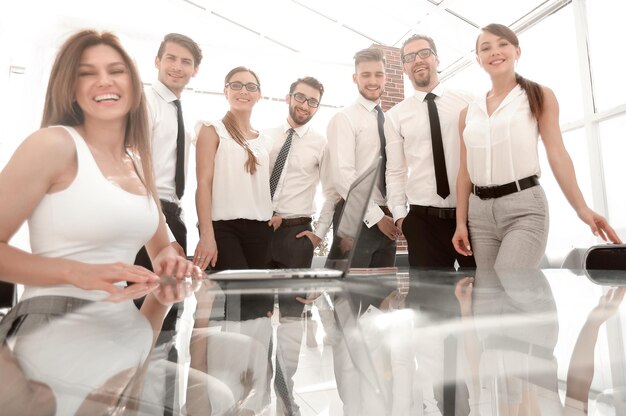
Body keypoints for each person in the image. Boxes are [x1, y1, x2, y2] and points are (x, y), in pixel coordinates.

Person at [0, 29, 198, 415]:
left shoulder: (138, 162)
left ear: (133, 83)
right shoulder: (53, 145)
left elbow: (162, 251)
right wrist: (78, 272)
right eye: (87, 73)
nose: (104, 81)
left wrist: (174, 267)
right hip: (56, 326)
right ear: (70, 87)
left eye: (116, 70)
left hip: (128, 332)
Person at [452, 23, 622, 269]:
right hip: (479, 214)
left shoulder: (539, 95)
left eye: (503, 44)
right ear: (478, 59)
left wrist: (582, 208)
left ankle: (547, 308)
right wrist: (460, 222)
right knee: (489, 291)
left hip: (523, 205)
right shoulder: (467, 113)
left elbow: (557, 153)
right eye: (486, 48)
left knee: (511, 275)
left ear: (517, 51)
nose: (495, 52)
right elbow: (464, 172)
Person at [133, 32, 202, 416]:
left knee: (171, 314)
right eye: (171, 59)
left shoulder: (178, 109)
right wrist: (159, 228)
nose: (177, 66)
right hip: (149, 211)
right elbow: (137, 167)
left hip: (172, 213)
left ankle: (162, 407)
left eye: (185, 62)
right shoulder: (145, 103)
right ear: (157, 61)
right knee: (146, 314)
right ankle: (142, 406)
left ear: (195, 71)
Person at [263, 76, 331, 415]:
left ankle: (285, 398)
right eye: (300, 98)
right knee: (258, 318)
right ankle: (255, 394)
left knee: (291, 322)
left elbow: (331, 191)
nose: (305, 105)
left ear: (318, 106)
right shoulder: (265, 135)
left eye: (312, 101)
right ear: (289, 97)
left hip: (297, 236)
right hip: (262, 232)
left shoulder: (320, 142)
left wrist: (319, 232)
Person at [386, 34, 476, 269]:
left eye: (424, 53)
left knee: (483, 296)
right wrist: (400, 217)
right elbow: (395, 171)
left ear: (437, 59)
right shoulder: (395, 116)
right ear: (405, 67)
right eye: (410, 57)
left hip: (472, 216)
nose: (418, 60)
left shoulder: (469, 102)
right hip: (423, 223)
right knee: (429, 304)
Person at [193, 66, 273, 274]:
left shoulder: (266, 141)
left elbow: (269, 187)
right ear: (225, 91)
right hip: (223, 227)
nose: (243, 91)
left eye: (250, 86)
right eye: (236, 85)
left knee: (259, 303)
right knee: (239, 295)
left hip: (261, 229)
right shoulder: (211, 130)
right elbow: (203, 184)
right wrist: (206, 234)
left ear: (259, 95)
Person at [325, 47, 399, 268]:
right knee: (349, 297)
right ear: (355, 78)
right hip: (356, 218)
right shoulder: (344, 118)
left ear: (385, 77)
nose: (373, 80)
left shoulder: (391, 120)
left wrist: (396, 212)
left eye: (378, 74)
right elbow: (343, 176)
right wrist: (376, 217)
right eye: (366, 75)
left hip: (387, 218)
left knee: (382, 296)